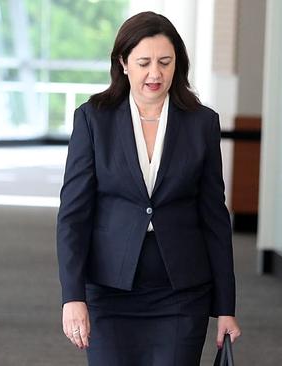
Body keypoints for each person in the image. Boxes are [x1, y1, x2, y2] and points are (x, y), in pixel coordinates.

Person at [56, 11, 240, 365]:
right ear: (124, 63)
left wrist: (226, 307)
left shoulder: (201, 123)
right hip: (109, 290)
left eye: (165, 62)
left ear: (177, 65)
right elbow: (73, 217)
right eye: (144, 62)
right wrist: (72, 296)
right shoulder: (94, 118)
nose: (155, 73)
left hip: (181, 294)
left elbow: (215, 218)